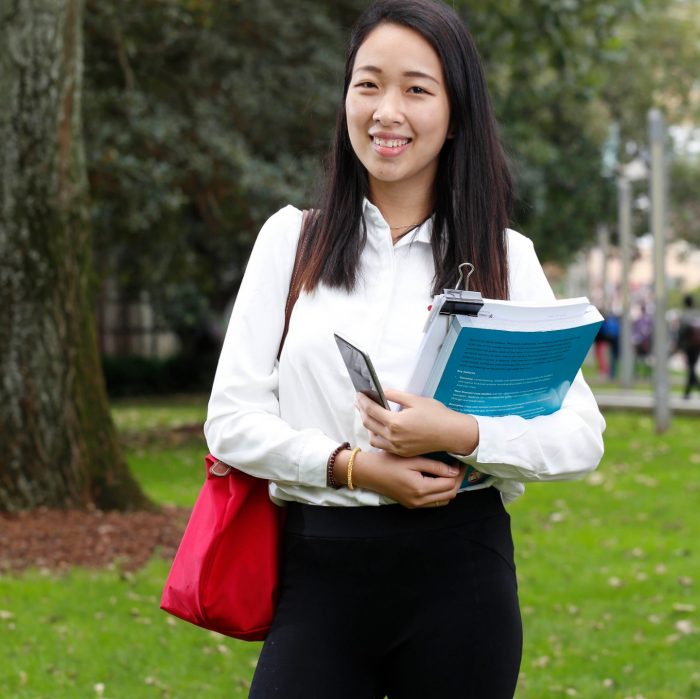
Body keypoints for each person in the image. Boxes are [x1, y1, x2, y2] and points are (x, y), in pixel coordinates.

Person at [204, 1, 605, 697]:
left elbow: (580, 435)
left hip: (463, 577)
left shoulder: (506, 260)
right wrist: (355, 465)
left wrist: (461, 433)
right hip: (320, 572)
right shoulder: (290, 240)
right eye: (368, 83)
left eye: (417, 89)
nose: (387, 110)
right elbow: (231, 421)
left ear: (456, 115)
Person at [677, 294, 700, 399]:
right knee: (692, 366)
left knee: (691, 367)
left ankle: (688, 391)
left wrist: (679, 346)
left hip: (689, 345)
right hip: (698, 344)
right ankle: (687, 392)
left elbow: (681, 332)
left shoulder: (685, 315)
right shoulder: (697, 314)